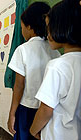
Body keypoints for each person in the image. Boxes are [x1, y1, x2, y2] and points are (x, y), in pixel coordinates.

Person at [7, 2, 61, 140]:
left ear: (30, 27)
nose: (22, 31)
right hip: (48, 111)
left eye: (22, 27)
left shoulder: (23, 50)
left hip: (26, 109)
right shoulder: (55, 52)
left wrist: (12, 113)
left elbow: (19, 86)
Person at [30, 0, 81, 139]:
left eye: (49, 28)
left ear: (62, 27)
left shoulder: (57, 65)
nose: (47, 35)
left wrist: (33, 130)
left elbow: (46, 109)